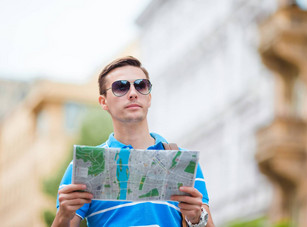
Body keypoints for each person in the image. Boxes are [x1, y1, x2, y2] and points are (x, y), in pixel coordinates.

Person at [52, 56, 214, 227]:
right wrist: (63, 216)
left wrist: (197, 218)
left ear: (149, 97)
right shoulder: (87, 166)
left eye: (141, 85)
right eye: (120, 87)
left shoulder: (182, 162)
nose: (133, 93)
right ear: (103, 102)